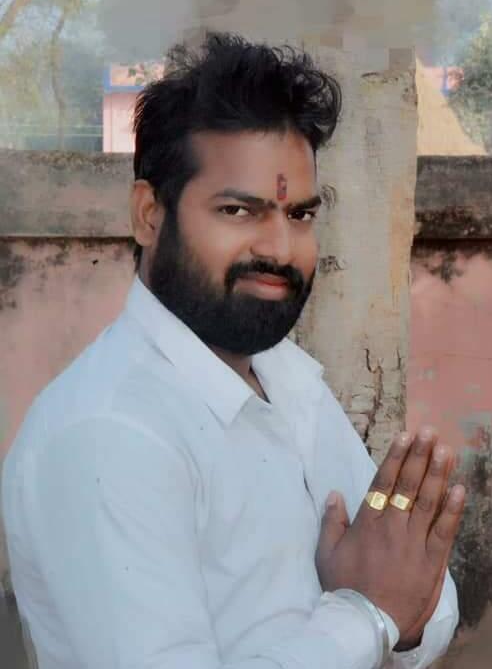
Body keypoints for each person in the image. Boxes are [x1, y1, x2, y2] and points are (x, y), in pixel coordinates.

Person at [2, 33, 465, 669]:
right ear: (148, 214)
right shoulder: (107, 432)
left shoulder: (289, 380)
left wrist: (388, 613)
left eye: (300, 215)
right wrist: (365, 614)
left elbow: (430, 605)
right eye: (238, 210)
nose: (279, 248)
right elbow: (391, 605)